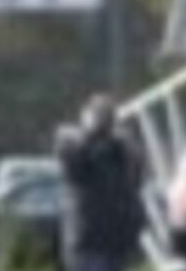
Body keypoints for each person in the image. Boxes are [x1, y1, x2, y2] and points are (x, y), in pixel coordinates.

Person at [55, 94, 143, 271]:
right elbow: (72, 164)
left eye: (107, 116)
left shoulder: (118, 151)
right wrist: (90, 135)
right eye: (100, 115)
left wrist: (126, 146)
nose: (104, 123)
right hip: (87, 242)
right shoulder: (74, 145)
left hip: (114, 242)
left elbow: (136, 178)